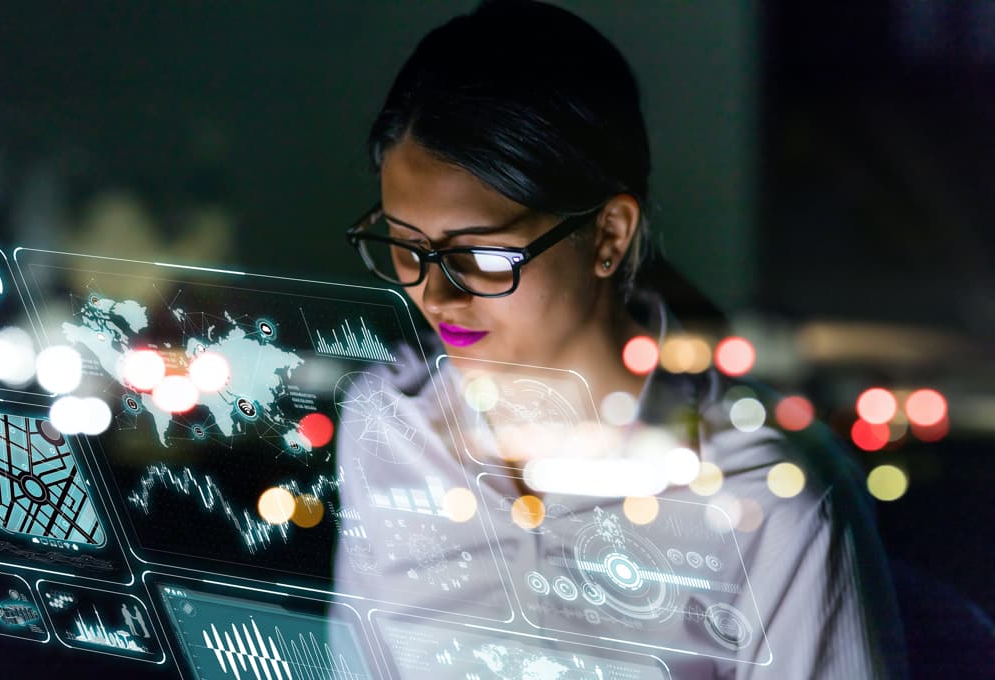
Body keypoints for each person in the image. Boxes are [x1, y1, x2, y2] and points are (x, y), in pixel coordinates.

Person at [333, 2, 907, 677]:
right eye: (405, 246)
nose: (436, 294)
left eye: (484, 255)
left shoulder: (766, 497)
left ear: (608, 234)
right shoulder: (388, 429)